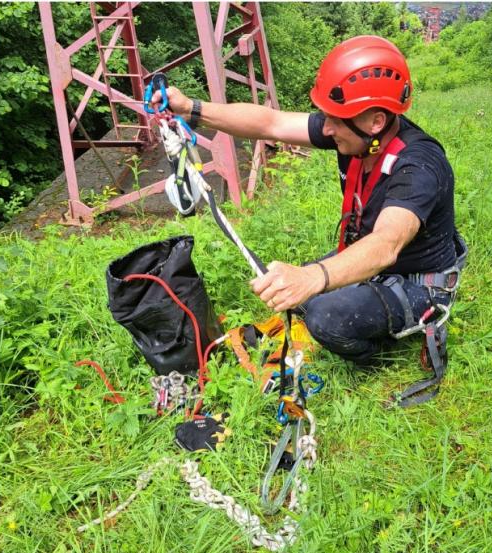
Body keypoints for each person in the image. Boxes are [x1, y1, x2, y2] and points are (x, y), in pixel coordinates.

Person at [151, 36, 466, 392]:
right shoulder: (354, 130)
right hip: (374, 260)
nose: (325, 129)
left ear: (376, 121)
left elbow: (386, 244)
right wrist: (192, 109)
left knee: (324, 315)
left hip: (416, 279)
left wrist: (313, 277)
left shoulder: (418, 165)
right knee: (301, 297)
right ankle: (353, 304)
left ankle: (378, 355)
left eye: (334, 121)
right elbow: (270, 123)